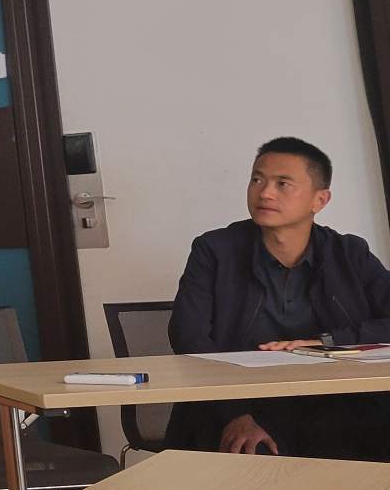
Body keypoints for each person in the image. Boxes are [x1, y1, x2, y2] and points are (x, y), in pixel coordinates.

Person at [165, 135, 390, 460]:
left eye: (283, 184)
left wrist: (327, 341)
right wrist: (235, 413)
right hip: (242, 399)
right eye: (257, 180)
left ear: (320, 200)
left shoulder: (349, 253)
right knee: (254, 449)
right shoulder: (214, 250)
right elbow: (189, 336)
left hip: (338, 401)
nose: (265, 192)